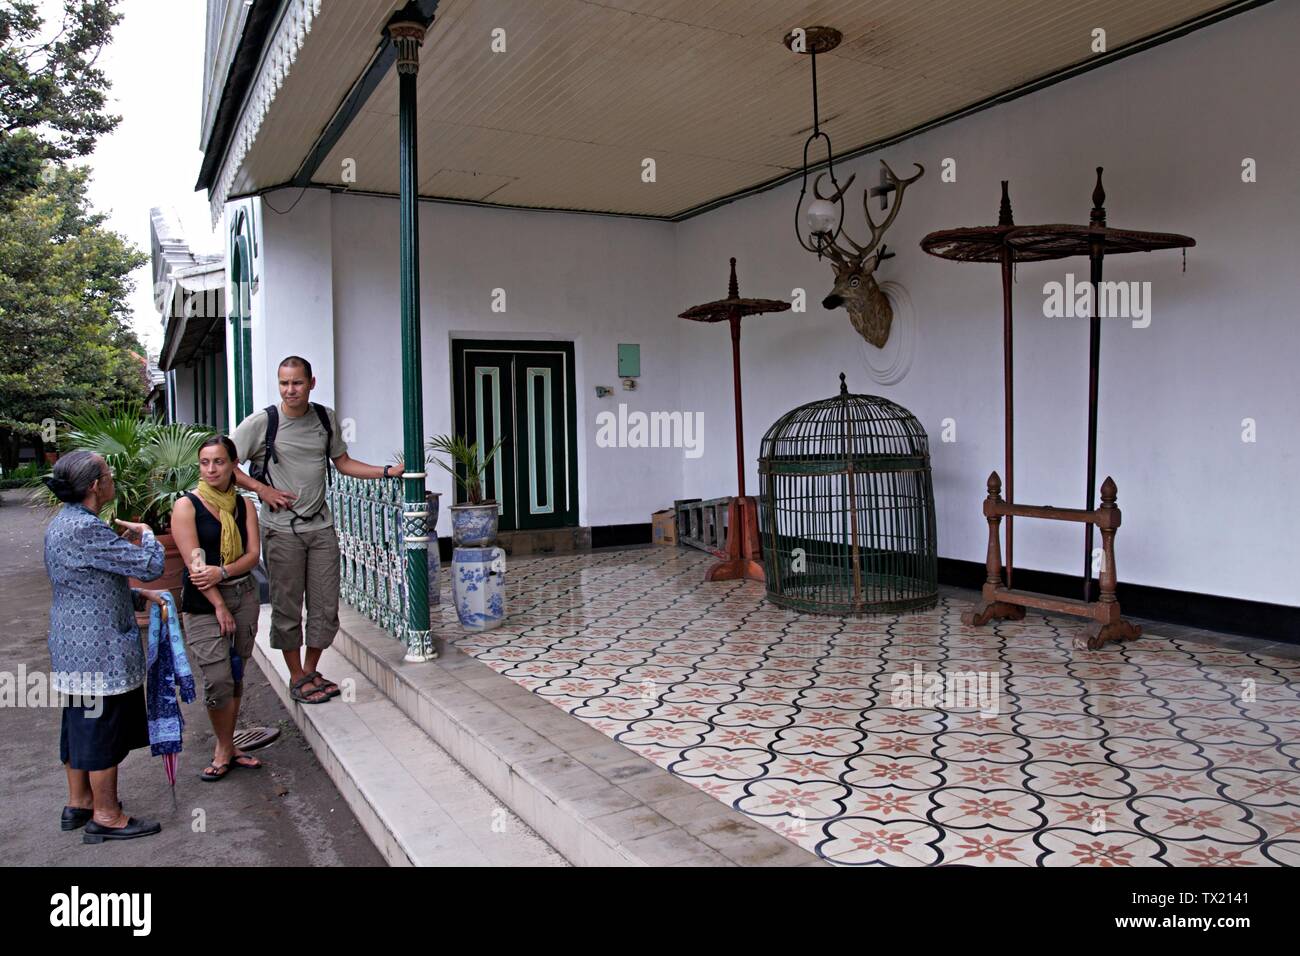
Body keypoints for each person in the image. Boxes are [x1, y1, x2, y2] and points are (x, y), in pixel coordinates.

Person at [232, 356, 398, 704]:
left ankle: (310, 669)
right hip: (280, 530)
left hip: (321, 527)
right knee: (287, 606)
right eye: (284, 383)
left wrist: (386, 471)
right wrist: (262, 490)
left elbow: (343, 463)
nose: (290, 390)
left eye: (297, 383)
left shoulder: (325, 418)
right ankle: (296, 675)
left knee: (324, 606)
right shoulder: (264, 422)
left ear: (311, 383)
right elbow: (225, 463)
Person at [43, 450, 167, 843]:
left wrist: (137, 596)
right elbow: (149, 565)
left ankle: (78, 802)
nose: (113, 478)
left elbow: (86, 583)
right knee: (101, 727)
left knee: (79, 722)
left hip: (74, 642)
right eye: (109, 473)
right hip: (99, 647)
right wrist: (147, 534)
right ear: (96, 485)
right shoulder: (86, 528)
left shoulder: (65, 523)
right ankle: (107, 815)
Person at [170, 436, 264, 780]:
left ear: (232, 465)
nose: (211, 469)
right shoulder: (187, 506)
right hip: (203, 602)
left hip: (243, 594)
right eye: (205, 462)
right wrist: (219, 605)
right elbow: (196, 565)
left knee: (236, 671)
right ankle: (223, 747)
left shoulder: (244, 505)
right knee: (217, 677)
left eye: (219, 462)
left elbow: (252, 555)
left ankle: (229, 745)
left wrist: (224, 571)